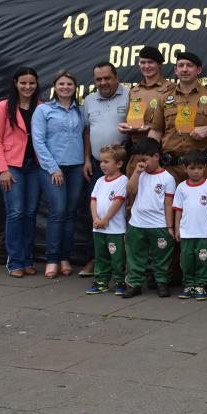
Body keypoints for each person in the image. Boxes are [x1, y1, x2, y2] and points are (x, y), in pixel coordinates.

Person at [31, 70, 86, 278]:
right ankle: (52, 258)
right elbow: (38, 141)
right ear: (55, 86)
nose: (65, 87)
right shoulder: (43, 110)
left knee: (71, 213)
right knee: (58, 211)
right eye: (61, 84)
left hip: (76, 167)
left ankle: (65, 257)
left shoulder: (79, 111)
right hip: (52, 168)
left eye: (69, 84)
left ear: (75, 87)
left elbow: (85, 135)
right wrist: (53, 167)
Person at [0, 67, 41, 277]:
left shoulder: (41, 107)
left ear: (37, 84)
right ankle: (15, 260)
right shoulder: (3, 107)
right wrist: (3, 169)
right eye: (23, 83)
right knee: (16, 212)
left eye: (31, 83)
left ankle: (28, 258)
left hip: (35, 167)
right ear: (15, 83)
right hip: (12, 167)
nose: (27, 87)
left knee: (30, 214)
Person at [81, 62, 130, 278]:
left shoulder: (130, 95)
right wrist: (87, 160)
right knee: (98, 211)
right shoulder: (90, 100)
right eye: (98, 79)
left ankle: (126, 263)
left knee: (127, 212)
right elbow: (87, 131)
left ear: (116, 77)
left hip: (124, 165)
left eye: (107, 78)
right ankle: (97, 259)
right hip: (98, 166)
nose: (103, 83)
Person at [148, 52, 207, 182]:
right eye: (181, 65)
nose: (184, 69)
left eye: (189, 65)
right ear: (176, 70)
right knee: (169, 202)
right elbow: (156, 131)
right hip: (170, 169)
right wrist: (148, 156)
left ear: (199, 70)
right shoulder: (164, 98)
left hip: (201, 168)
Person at [122, 137, 177, 299]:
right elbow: (130, 191)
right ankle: (134, 283)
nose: (142, 164)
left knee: (162, 256)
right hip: (137, 223)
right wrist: (137, 172)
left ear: (156, 157)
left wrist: (170, 227)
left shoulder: (167, 178)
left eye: (145, 160)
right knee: (135, 255)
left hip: (158, 224)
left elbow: (168, 205)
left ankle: (162, 282)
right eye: (139, 161)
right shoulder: (139, 173)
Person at [171, 151, 207, 301]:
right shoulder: (181, 187)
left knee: (203, 259)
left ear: (204, 168)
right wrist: (177, 228)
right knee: (187, 260)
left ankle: (201, 284)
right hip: (187, 232)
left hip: (204, 232)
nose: (196, 171)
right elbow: (178, 210)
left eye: (199, 168)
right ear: (185, 168)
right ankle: (189, 284)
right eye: (192, 168)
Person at [120, 46, 174, 174]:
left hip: (158, 154)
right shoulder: (135, 91)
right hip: (136, 153)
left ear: (159, 65)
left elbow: (172, 123)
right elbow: (133, 119)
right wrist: (129, 128)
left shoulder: (171, 89)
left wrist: (150, 127)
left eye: (150, 62)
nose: (146, 66)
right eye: (143, 62)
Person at [85, 144, 128, 295]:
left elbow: (118, 202)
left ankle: (120, 282)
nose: (102, 165)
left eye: (106, 161)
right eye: (101, 162)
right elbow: (93, 200)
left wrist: (106, 219)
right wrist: (96, 218)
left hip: (115, 229)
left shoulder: (123, 180)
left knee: (117, 257)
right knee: (101, 256)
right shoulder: (100, 181)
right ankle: (101, 281)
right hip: (98, 228)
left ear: (119, 164)